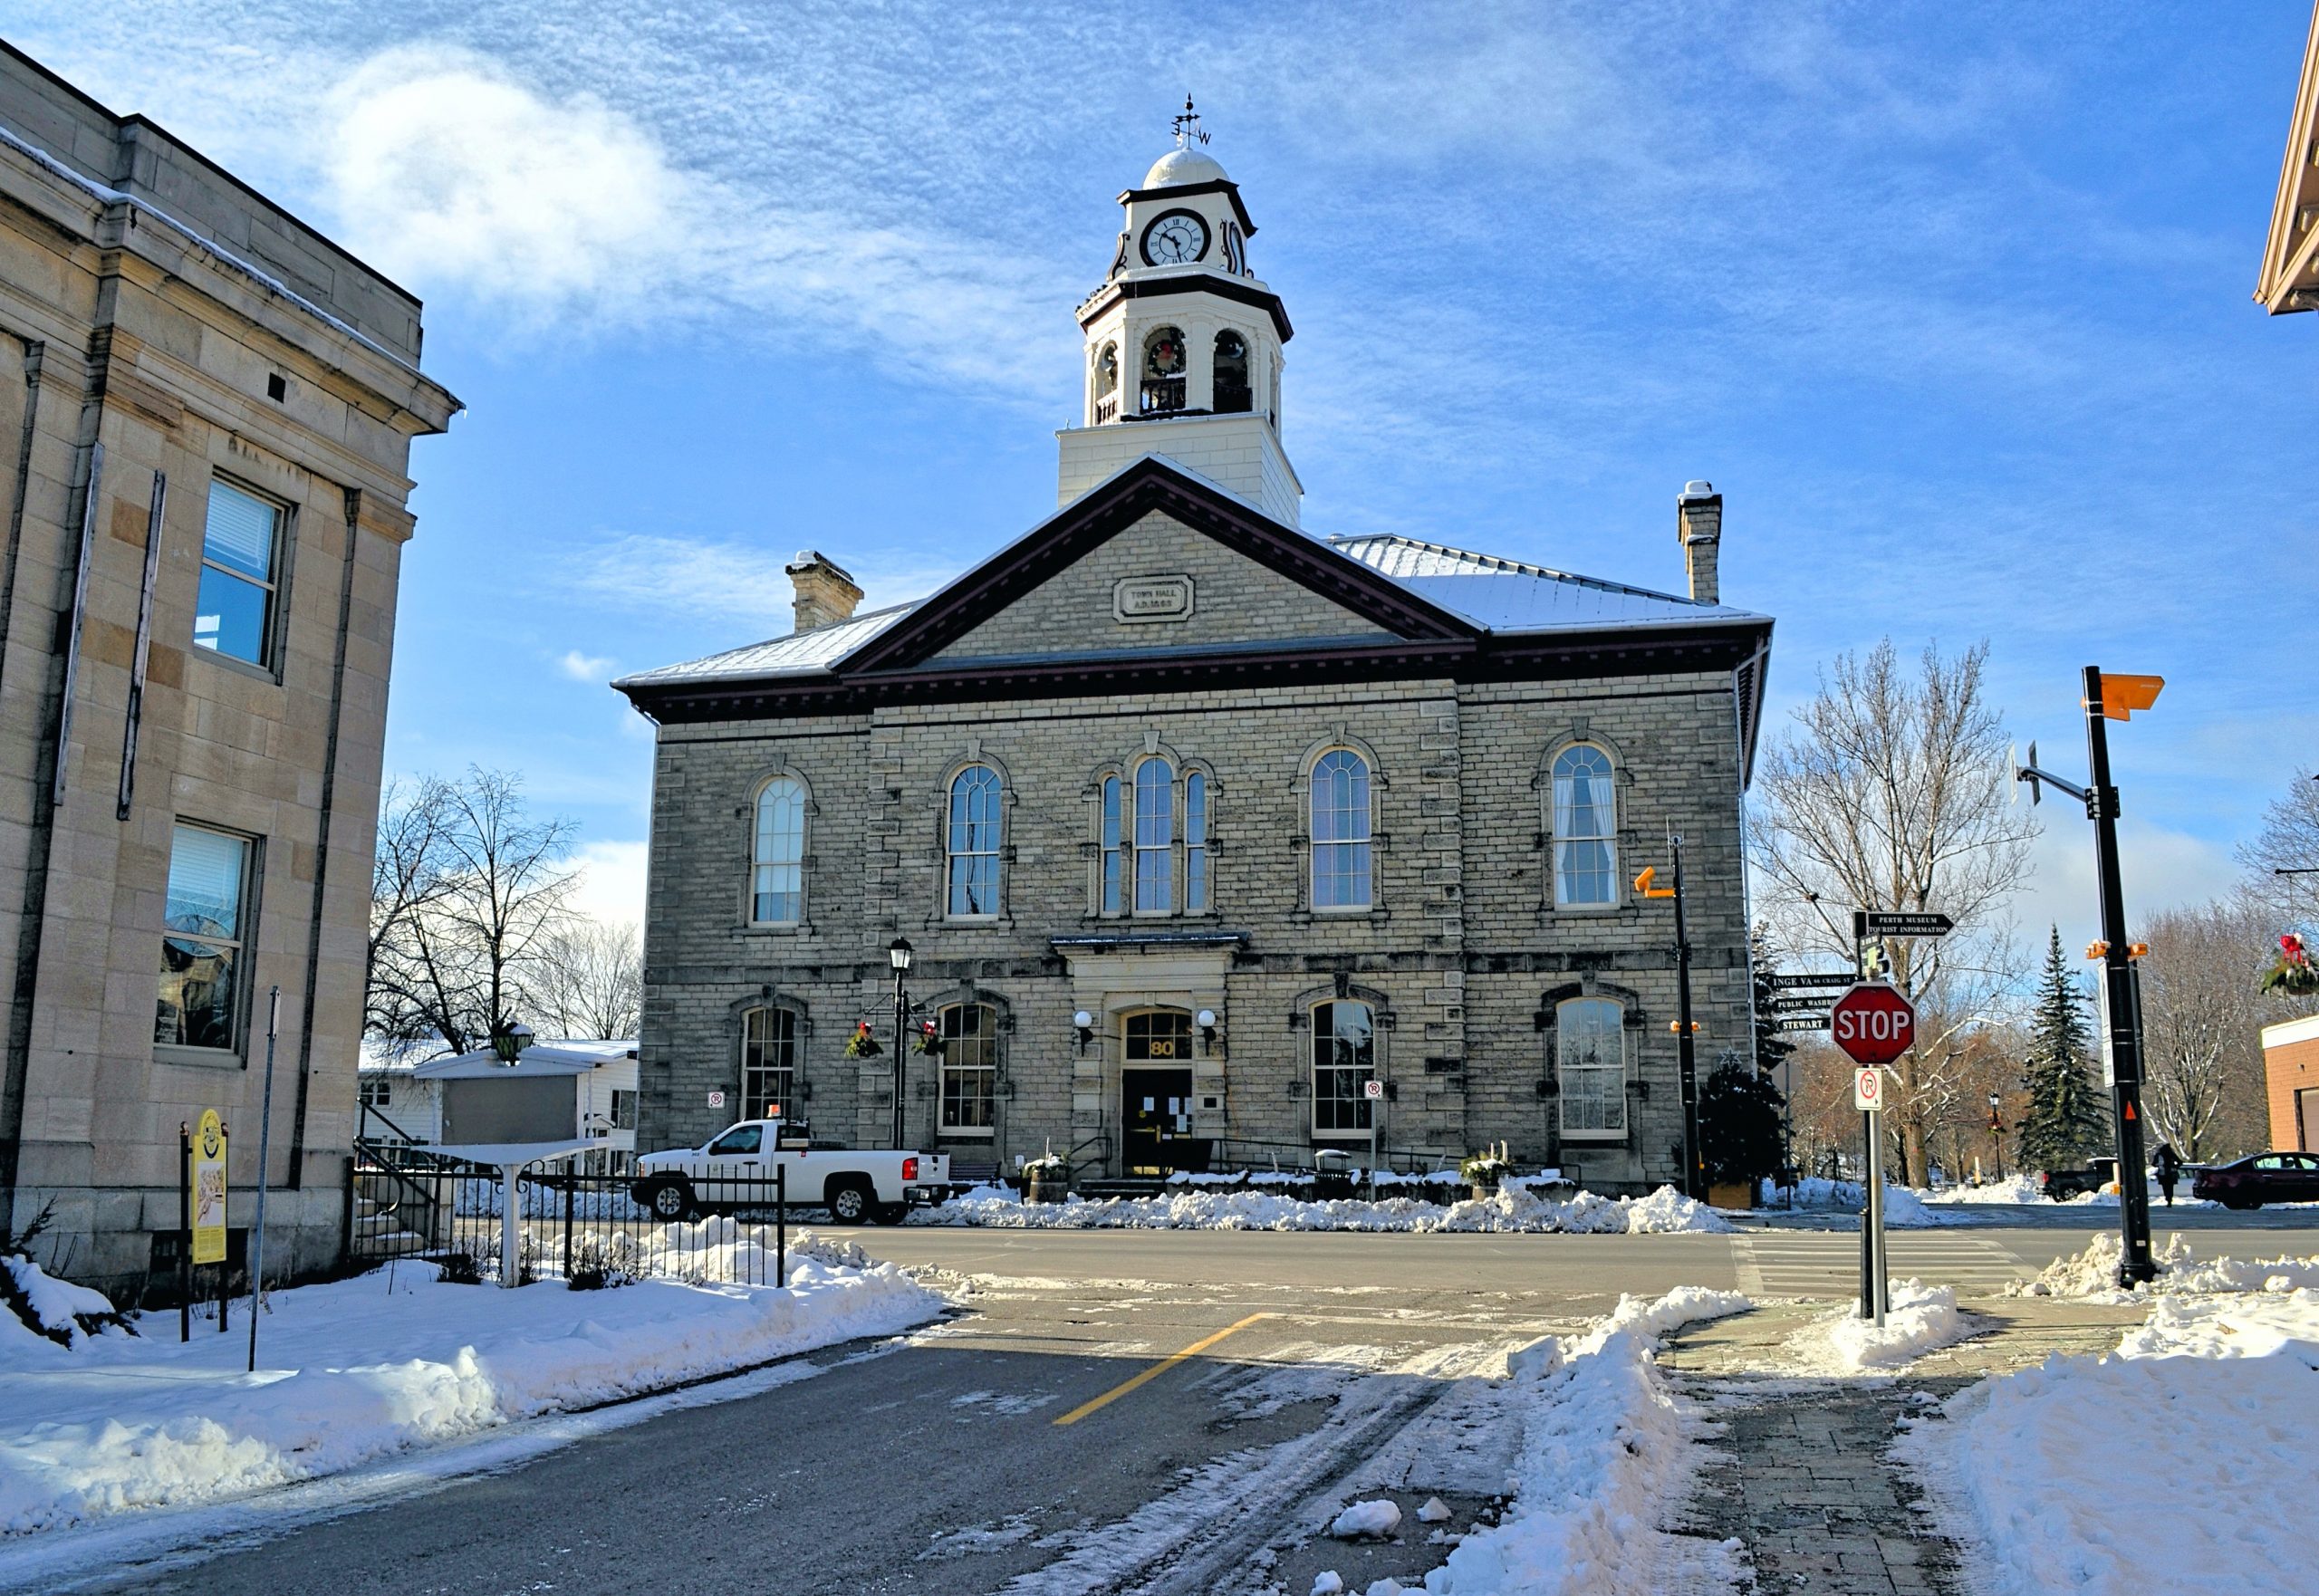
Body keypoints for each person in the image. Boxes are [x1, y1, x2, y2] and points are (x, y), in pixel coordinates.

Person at [2152, 1141, 2181, 1207]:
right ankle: (2169, 1200)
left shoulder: (2159, 1155)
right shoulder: (2171, 1154)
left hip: (2162, 1173)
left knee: (2165, 1187)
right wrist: (2175, 1167)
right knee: (2170, 1188)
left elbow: (2153, 1164)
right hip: (2171, 1174)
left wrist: (2158, 1165)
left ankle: (2168, 1199)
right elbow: (2180, 1162)